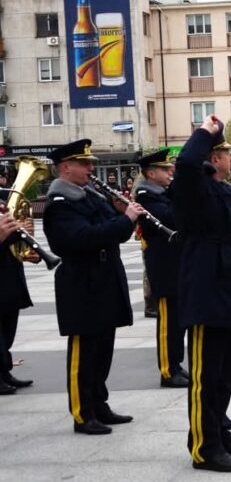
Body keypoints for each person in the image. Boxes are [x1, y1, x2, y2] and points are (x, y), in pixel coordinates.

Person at [174, 115, 231, 472]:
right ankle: (204, 445)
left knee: (224, 374)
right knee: (206, 376)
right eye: (227, 153)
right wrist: (204, 132)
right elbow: (185, 163)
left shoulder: (223, 189)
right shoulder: (193, 187)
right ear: (214, 158)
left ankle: (221, 431)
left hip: (230, 289)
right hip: (208, 292)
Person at [43, 139, 143, 434]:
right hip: (81, 282)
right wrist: (125, 220)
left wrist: (122, 214)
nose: (91, 168)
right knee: (84, 351)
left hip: (104, 277)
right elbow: (84, 238)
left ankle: (99, 404)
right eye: (84, 163)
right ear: (65, 168)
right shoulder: (60, 203)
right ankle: (82, 412)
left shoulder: (90, 195)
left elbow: (113, 231)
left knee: (103, 348)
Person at [133, 149, 189, 387]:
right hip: (164, 265)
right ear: (151, 173)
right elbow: (170, 217)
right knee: (168, 322)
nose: (170, 172)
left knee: (178, 321)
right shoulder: (146, 196)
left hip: (175, 262)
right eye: (165, 169)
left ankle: (176, 364)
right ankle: (168, 370)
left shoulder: (162, 193)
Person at [0, 200, 35, 395]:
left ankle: (4, 371)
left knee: (8, 329)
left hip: (9, 274)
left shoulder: (3, 202)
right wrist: (13, 233)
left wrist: (27, 241)